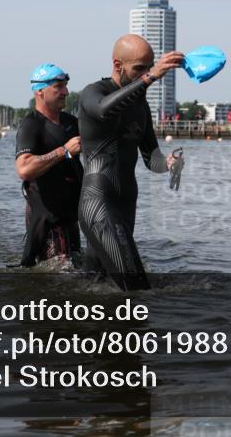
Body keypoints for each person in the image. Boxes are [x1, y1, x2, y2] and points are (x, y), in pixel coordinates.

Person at [77, 34, 184, 291]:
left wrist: (168, 163)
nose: (145, 74)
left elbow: (151, 158)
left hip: (126, 204)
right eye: (139, 68)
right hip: (98, 201)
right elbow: (103, 110)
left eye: (149, 67)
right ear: (117, 65)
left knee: (98, 285)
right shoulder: (93, 92)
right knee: (136, 288)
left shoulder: (140, 105)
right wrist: (152, 77)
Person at [15, 64, 83, 267]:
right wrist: (64, 151)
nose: (66, 92)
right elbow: (24, 169)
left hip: (70, 213)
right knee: (59, 278)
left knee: (77, 265)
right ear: (40, 91)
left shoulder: (72, 122)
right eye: (59, 87)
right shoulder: (31, 125)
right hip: (47, 215)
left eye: (66, 86)